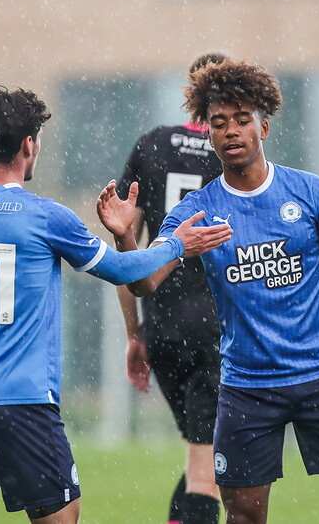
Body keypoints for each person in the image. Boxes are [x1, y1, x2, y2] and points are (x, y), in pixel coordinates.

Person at [97, 58, 319, 524]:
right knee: (241, 517)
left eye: (242, 120)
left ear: (264, 127)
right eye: (220, 123)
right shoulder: (196, 210)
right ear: (209, 134)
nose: (231, 131)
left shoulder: (311, 193)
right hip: (247, 388)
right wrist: (124, 236)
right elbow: (144, 282)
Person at [0, 86, 231, 524]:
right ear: (29, 144)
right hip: (23, 403)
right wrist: (176, 244)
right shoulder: (46, 216)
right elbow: (124, 272)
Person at [114, 52, 228, 524]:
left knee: (202, 458)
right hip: (219, 333)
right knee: (210, 471)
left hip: (163, 328)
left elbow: (127, 252)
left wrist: (134, 334)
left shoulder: (152, 145)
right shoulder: (237, 154)